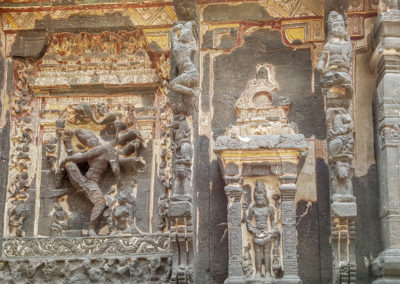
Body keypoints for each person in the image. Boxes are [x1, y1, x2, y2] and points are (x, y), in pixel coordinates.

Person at [246, 181, 276, 279]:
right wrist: (253, 230)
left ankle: (267, 272)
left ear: (265, 196)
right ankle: (258, 272)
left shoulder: (269, 209)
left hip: (267, 233)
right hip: (257, 233)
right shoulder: (252, 209)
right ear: (255, 197)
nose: (259, 197)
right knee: (258, 254)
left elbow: (272, 221)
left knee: (267, 253)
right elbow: (248, 221)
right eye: (257, 195)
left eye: (261, 195)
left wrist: (273, 230)